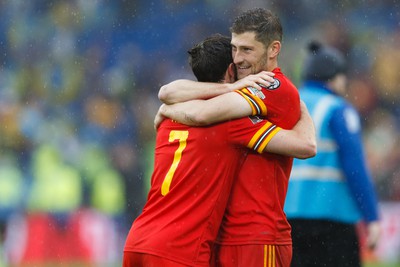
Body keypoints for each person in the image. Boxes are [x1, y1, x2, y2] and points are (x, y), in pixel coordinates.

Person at [123, 34, 316, 267]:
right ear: (230, 70)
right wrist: (299, 104)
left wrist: (166, 107)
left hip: (138, 239)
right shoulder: (229, 123)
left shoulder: (171, 115)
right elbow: (305, 145)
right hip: (180, 249)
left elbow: (167, 93)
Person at [157, 8, 300, 266]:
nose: (237, 59)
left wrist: (168, 111)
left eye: (247, 50)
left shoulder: (270, 85)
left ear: (273, 49)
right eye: (234, 49)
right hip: (223, 236)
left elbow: (202, 113)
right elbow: (167, 91)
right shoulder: (242, 88)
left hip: (258, 234)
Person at [284, 41, 381, 267]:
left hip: (289, 220)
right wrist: (372, 217)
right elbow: (355, 167)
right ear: (335, 78)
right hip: (333, 220)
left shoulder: (287, 105)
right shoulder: (338, 109)